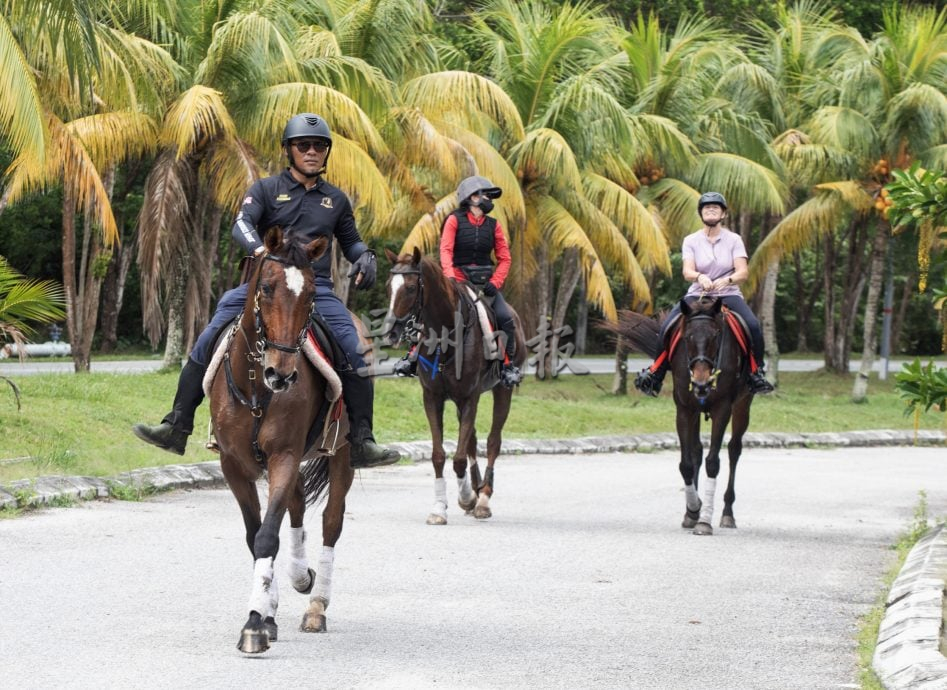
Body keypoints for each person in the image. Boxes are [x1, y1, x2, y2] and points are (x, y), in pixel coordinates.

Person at [132, 113, 401, 468]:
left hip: (314, 289)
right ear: (289, 150)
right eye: (303, 145)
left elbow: (351, 241)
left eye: (319, 146)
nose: (311, 152)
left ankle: (362, 441)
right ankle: (177, 425)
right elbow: (241, 224)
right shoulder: (265, 190)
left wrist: (364, 256)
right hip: (265, 286)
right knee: (208, 337)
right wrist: (260, 252)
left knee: (355, 351)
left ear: (326, 153)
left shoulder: (335, 200)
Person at [634, 191, 775, 397]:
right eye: (707, 207)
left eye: (715, 207)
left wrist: (726, 280)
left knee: (753, 325)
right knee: (666, 327)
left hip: (728, 293)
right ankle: (656, 373)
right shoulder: (691, 240)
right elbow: (687, 271)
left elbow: (742, 272)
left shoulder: (734, 239)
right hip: (697, 294)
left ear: (723, 214)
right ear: (701, 213)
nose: (711, 210)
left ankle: (756, 372)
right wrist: (700, 277)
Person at [392, 175, 522, 388]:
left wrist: (496, 282)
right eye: (485, 195)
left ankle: (507, 366)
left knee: (504, 318)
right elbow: (446, 250)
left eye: (490, 196)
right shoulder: (454, 220)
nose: (489, 199)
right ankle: (412, 357)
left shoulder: (494, 226)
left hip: (485, 284)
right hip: (458, 282)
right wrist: (451, 279)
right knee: (429, 313)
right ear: (471, 197)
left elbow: (505, 258)